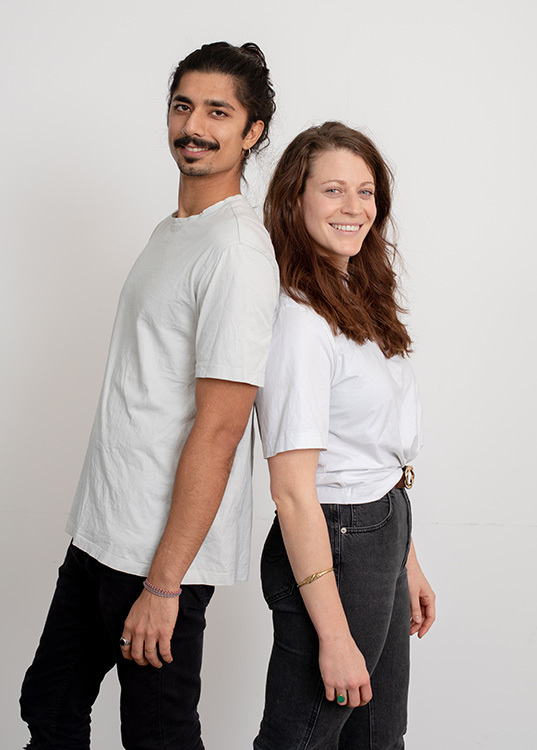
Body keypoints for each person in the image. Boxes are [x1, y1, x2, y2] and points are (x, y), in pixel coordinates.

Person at [20, 41, 279, 750]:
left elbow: (221, 428)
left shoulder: (235, 253)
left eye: (218, 112)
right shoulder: (176, 231)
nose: (193, 125)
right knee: (49, 705)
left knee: (157, 736)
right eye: (182, 106)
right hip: (104, 532)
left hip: (159, 558)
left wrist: (164, 585)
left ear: (252, 131)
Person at [254, 121, 436, 750]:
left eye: (366, 191)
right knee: (303, 738)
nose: (354, 207)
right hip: (335, 539)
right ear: (295, 198)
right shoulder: (300, 320)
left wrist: (405, 562)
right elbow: (292, 491)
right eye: (333, 190)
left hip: (381, 528)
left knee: (379, 736)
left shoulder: (357, 292)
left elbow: (376, 453)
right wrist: (333, 635)